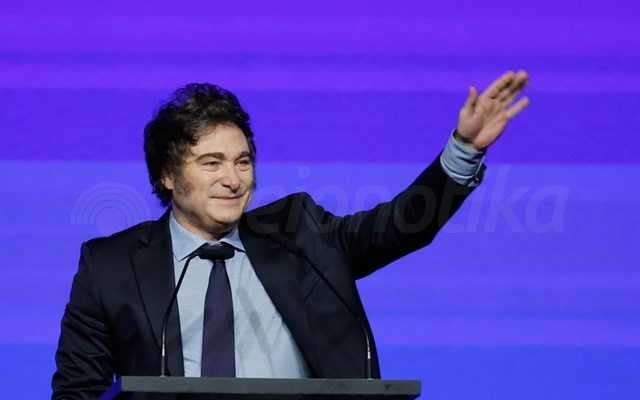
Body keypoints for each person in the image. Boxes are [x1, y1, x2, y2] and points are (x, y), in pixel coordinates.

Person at [52, 71, 529, 399]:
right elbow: (78, 392)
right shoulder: (111, 265)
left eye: (242, 162)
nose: (233, 179)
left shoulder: (300, 235)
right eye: (211, 163)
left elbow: (401, 226)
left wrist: (463, 150)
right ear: (167, 176)